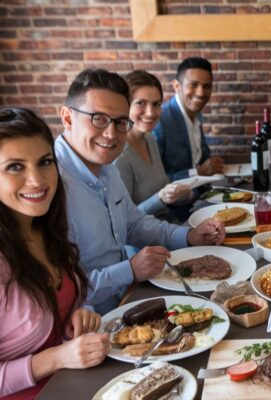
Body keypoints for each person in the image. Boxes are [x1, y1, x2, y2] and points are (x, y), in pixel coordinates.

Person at [56, 68, 225, 315]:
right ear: (68, 118)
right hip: (85, 328)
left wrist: (189, 236)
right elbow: (58, 292)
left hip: (127, 301)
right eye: (98, 119)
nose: (111, 134)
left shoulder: (105, 167)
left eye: (120, 122)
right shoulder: (48, 183)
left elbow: (134, 223)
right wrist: (130, 270)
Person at [0, 108, 109, 398]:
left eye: (45, 162)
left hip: (76, 385)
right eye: (14, 167)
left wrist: (79, 313)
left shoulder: (46, 230)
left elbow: (60, 308)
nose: (37, 180)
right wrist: (58, 358)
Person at [115, 70, 193, 220]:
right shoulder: (119, 156)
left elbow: (163, 190)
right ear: (125, 105)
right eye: (141, 103)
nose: (151, 113)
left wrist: (185, 195)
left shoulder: (150, 139)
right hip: (145, 242)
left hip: (169, 227)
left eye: (156, 104)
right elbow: (123, 220)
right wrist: (160, 199)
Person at [153, 57, 224, 181]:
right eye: (193, 85)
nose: (201, 93)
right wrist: (197, 172)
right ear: (176, 86)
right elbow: (155, 181)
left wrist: (212, 163)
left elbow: (199, 158)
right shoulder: (160, 121)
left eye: (206, 86)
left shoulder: (197, 115)